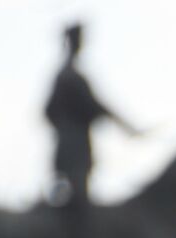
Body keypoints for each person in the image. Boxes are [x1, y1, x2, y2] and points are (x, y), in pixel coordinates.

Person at [45, 22, 141, 206]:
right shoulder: (71, 77)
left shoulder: (65, 75)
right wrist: (128, 128)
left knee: (71, 200)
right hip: (75, 148)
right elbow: (99, 107)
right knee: (78, 202)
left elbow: (49, 111)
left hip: (67, 145)